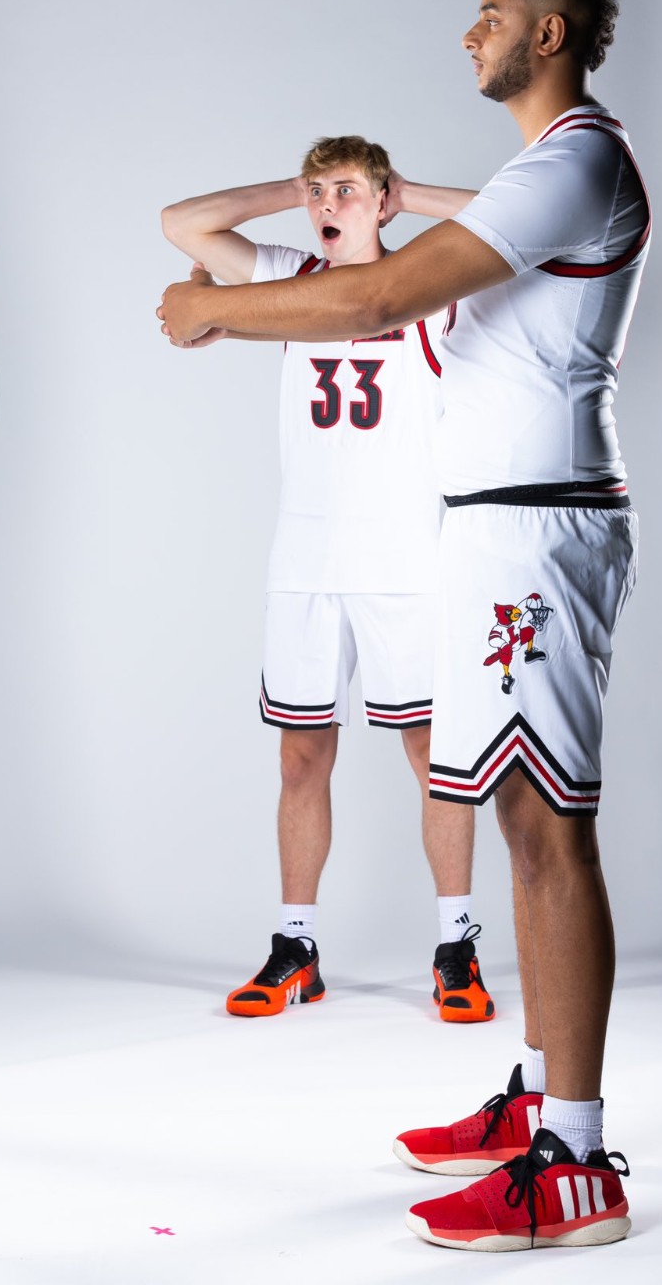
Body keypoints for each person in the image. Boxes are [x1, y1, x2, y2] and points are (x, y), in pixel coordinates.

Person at [158, 0, 646, 1251]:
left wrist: (214, 311)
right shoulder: (535, 168)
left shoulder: (574, 158)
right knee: (517, 819)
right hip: (486, 529)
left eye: (490, 13)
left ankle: (575, 1163)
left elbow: (373, 297)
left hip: (535, 525)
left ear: (546, 32)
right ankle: (540, 1092)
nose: (468, 31)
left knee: (546, 831)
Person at [162, 138, 493, 1023]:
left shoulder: (427, 284)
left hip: (404, 559)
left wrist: (401, 195)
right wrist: (296, 190)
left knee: (433, 758)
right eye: (318, 192)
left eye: (344, 191)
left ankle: (455, 947)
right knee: (300, 755)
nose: (325, 205)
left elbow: (511, 222)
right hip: (305, 557)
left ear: (381, 200)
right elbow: (182, 224)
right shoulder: (289, 276)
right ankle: (295, 947)